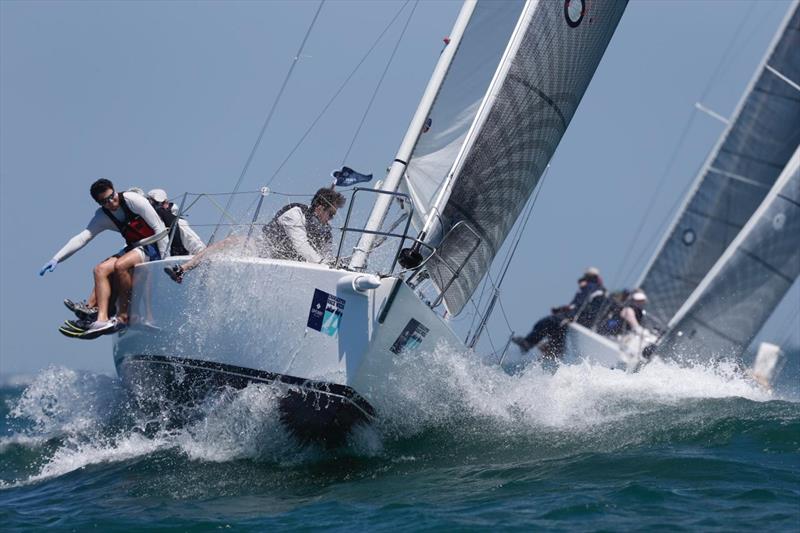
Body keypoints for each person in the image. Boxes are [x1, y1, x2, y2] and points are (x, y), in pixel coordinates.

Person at [40, 178, 167, 336]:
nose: (111, 202)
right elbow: (83, 238)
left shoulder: (133, 200)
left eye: (112, 196)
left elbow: (158, 227)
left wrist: (164, 259)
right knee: (99, 269)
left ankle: (123, 315)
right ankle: (101, 319)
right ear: (99, 203)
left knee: (120, 265)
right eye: (105, 201)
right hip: (134, 247)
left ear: (115, 190)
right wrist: (56, 259)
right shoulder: (103, 216)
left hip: (152, 245)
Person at [165, 187, 345, 283]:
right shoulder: (296, 213)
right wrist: (322, 263)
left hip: (290, 265)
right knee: (233, 241)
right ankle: (183, 269)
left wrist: (334, 266)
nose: (331, 219)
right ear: (320, 208)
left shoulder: (325, 232)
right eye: (331, 214)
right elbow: (301, 246)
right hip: (263, 250)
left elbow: (324, 256)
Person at [511, 267, 606, 358]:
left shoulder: (589, 287)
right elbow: (578, 305)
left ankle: (528, 343)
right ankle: (555, 353)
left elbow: (579, 304)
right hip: (585, 320)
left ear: (588, 276)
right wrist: (561, 309)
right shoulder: (598, 288)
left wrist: (570, 316)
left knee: (547, 321)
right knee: (556, 328)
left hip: (578, 319)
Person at [146, 189, 206, 256]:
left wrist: (201, 257)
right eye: (153, 204)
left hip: (176, 260)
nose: (156, 207)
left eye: (159, 203)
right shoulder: (147, 221)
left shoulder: (178, 222)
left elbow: (197, 246)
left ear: (167, 203)